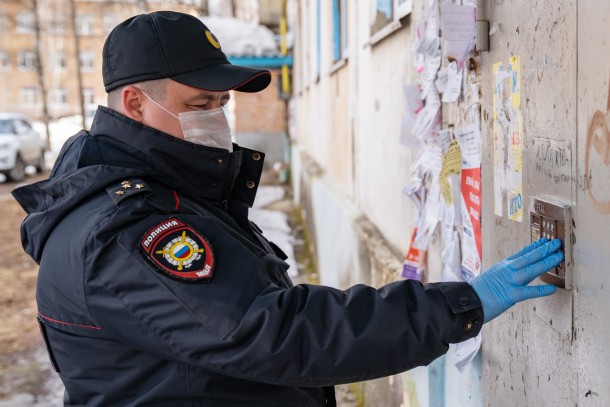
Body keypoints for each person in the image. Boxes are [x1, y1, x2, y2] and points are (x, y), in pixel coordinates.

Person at [12, 11, 563, 407]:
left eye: (222, 105)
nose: (218, 120)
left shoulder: (164, 192)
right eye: (201, 105)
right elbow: (272, 331)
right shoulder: (125, 228)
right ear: (135, 102)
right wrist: (458, 305)